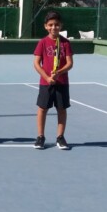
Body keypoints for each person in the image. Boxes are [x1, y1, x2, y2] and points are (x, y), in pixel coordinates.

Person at [33, 11, 74, 150]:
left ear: (61, 25)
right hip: (46, 83)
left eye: (56, 25)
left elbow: (70, 63)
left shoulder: (66, 43)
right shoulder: (42, 43)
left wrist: (59, 73)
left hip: (62, 82)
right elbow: (36, 63)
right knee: (42, 109)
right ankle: (40, 137)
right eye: (50, 25)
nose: (53, 27)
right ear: (45, 26)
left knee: (61, 109)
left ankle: (60, 137)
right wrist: (47, 77)